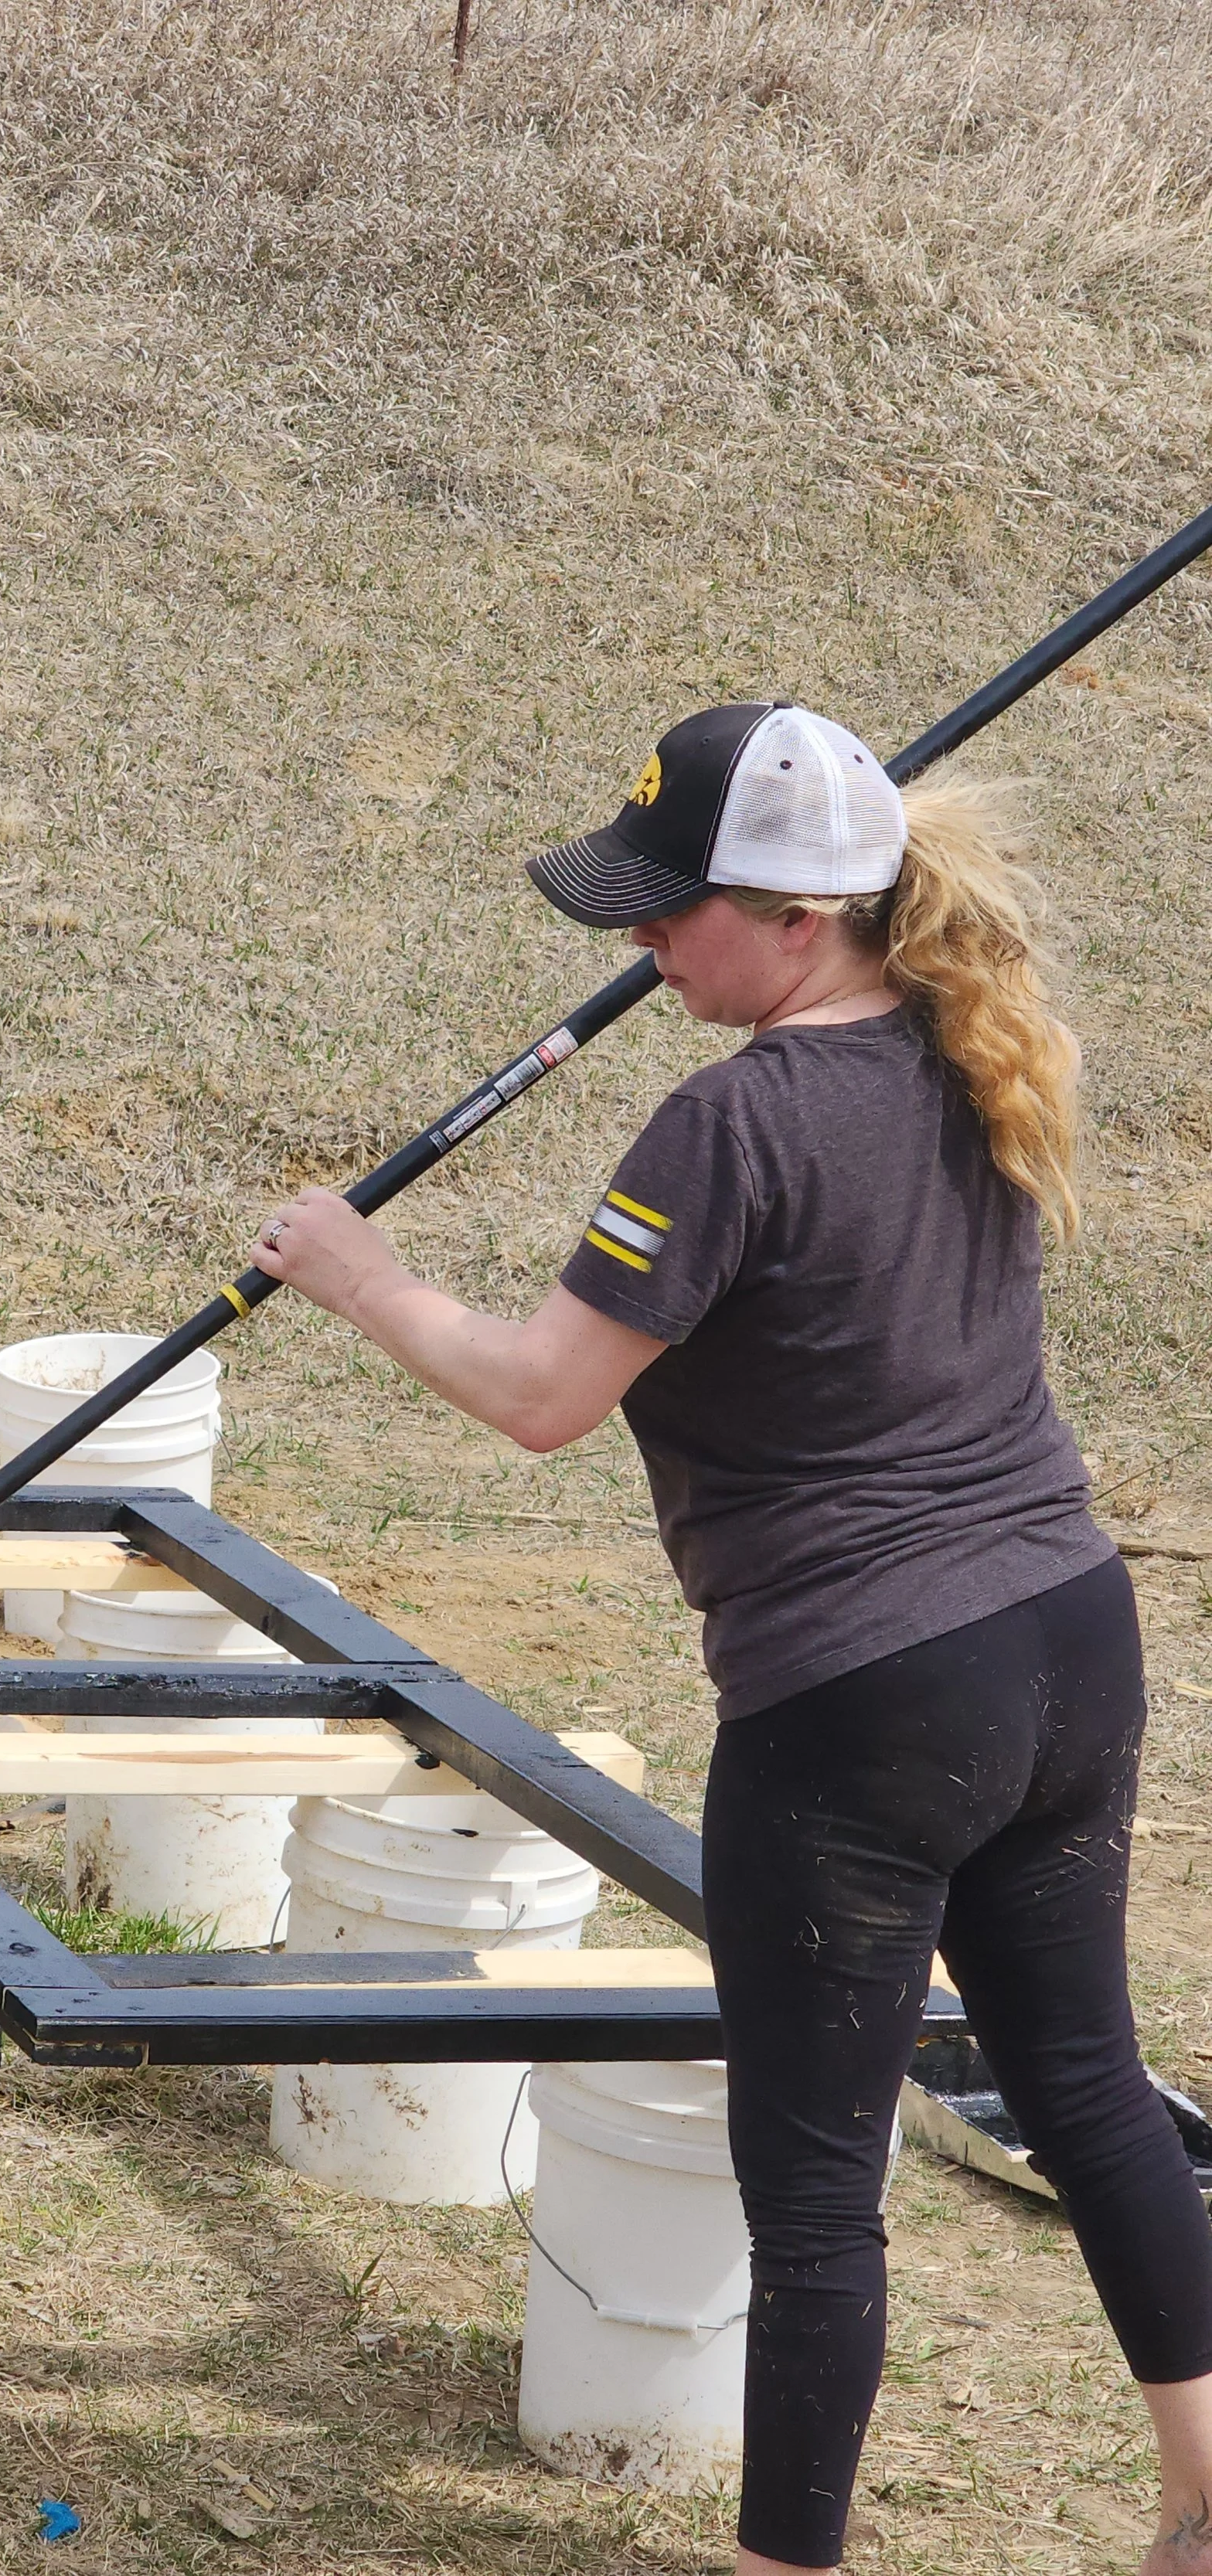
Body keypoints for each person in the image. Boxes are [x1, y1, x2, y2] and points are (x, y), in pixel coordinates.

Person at [252, 701, 1212, 2574]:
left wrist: (352, 1272)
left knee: (812, 2187)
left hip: (859, 1708)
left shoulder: (730, 1118)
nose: (636, 946)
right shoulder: (966, 1047)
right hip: (1061, 1646)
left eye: (667, 913)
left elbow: (539, 1394)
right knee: (1086, 2085)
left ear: (793, 920)